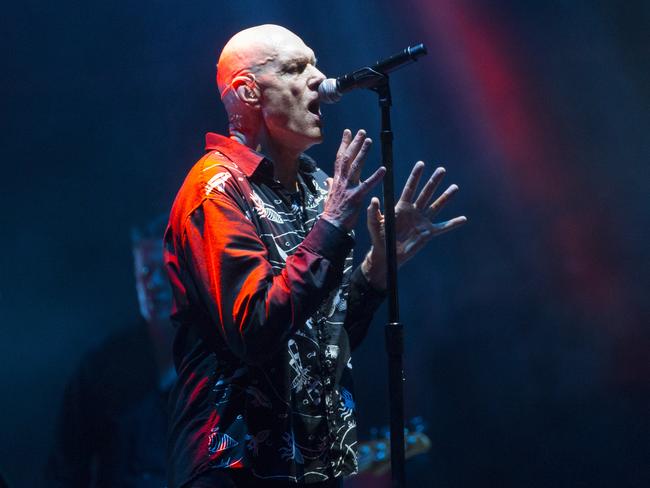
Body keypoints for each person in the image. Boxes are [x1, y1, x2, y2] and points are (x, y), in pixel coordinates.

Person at [164, 24, 466, 488]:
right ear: (247, 92)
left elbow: (322, 345)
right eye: (295, 68)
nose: (319, 79)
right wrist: (331, 226)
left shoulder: (318, 189)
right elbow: (255, 330)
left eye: (314, 62)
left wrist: (376, 273)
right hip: (236, 467)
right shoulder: (215, 191)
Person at [46, 215, 176, 487]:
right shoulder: (101, 366)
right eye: (145, 272)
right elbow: (65, 469)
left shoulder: (215, 365)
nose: (153, 284)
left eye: (163, 271)